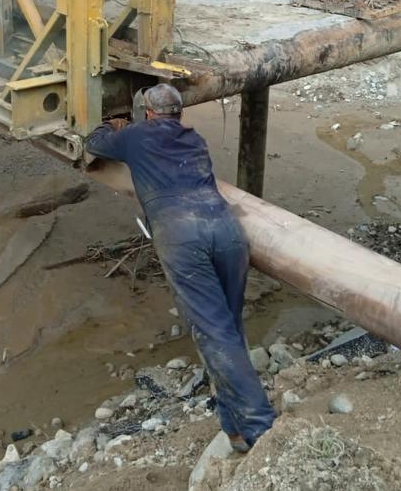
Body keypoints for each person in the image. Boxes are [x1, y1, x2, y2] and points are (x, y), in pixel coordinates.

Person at [85, 84, 276, 453]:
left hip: (182, 234)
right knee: (227, 332)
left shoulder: (136, 136)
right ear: (180, 114)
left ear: (148, 112)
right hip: (227, 230)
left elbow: (95, 142)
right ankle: (234, 429)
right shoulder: (195, 139)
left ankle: (262, 429)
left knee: (214, 334)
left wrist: (114, 125)